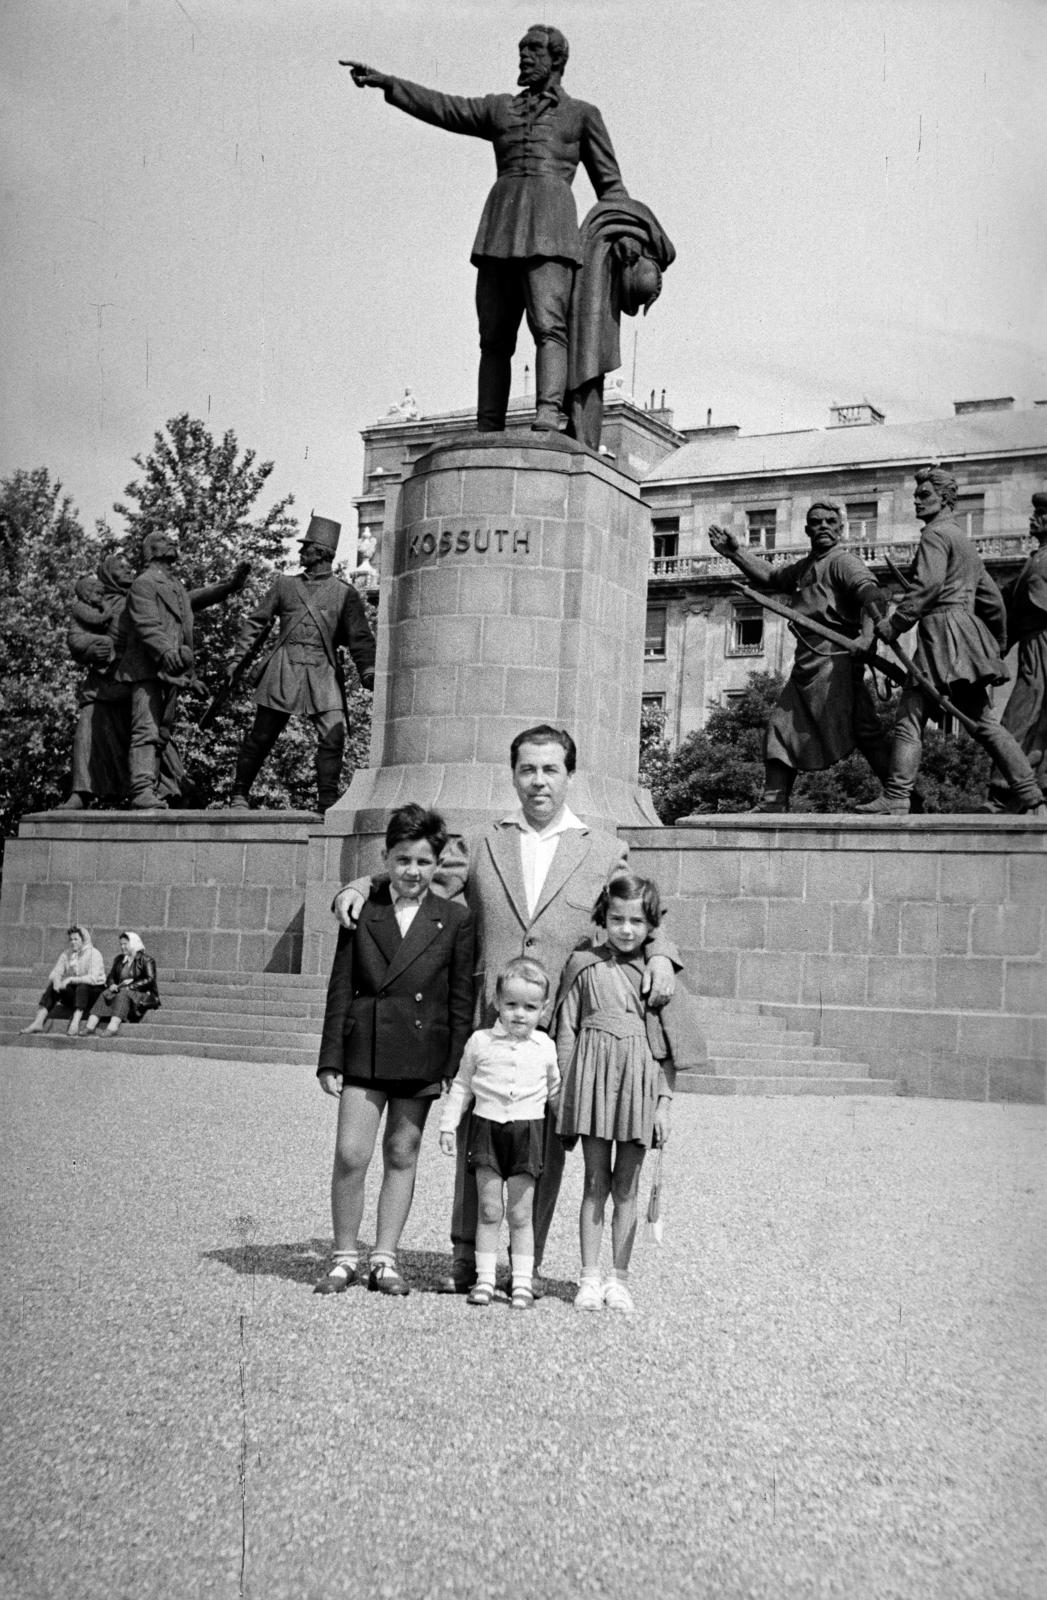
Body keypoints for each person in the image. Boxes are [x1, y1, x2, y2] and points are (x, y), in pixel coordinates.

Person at [333, 723, 679, 1296]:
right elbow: (417, 877)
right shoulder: (482, 842)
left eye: (550, 769)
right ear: (514, 774)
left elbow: (640, 912)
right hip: (492, 1025)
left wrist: (662, 955)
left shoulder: (604, 849)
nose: (538, 781)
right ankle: (468, 1261)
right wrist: (359, 884)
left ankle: (526, 1264)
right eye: (527, 769)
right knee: (481, 1142)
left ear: (569, 775)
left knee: (540, 1152)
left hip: (560, 1029)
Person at [343, 26, 629, 434]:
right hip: (499, 230)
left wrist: (625, 234)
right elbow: (444, 108)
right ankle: (488, 423)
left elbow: (611, 186)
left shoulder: (583, 115)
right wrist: (390, 83)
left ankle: (548, 413)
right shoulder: (500, 109)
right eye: (521, 51)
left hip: (552, 233)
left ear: (557, 60)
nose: (524, 58)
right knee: (493, 337)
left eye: (533, 51)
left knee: (550, 326)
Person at [314, 805, 474, 1298]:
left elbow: (460, 996)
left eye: (423, 862)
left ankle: (384, 1257)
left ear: (438, 865)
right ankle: (344, 1255)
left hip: (422, 1050)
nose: (412, 871)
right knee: (351, 1153)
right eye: (402, 859)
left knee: (402, 1153)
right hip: (365, 1046)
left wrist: (452, 1065)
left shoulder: (454, 919)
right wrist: (330, 1056)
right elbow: (341, 985)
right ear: (385, 858)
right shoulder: (363, 910)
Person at [555, 872, 702, 1313]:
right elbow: (566, 1033)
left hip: (638, 1086)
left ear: (651, 924)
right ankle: (588, 1277)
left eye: (637, 921)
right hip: (593, 1085)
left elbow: (667, 1047)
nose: (625, 929)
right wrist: (563, 1095)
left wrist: (664, 1103)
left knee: (627, 1188)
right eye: (617, 919)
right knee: (593, 1183)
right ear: (603, 917)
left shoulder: (658, 974)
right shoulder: (583, 965)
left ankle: (619, 1278)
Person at [864, 468, 1047, 816]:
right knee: (983, 723)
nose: (917, 500)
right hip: (963, 636)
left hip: (939, 634)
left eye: (925, 494)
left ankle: (898, 796)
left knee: (910, 717)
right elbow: (992, 600)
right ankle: (1029, 793)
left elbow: (928, 587)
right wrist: (994, 645)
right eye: (916, 494)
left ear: (945, 499)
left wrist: (896, 624)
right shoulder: (963, 539)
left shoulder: (934, 535)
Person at [708, 503, 892, 812]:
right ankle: (774, 801)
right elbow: (772, 576)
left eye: (830, 521)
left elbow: (872, 596)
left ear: (841, 528)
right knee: (783, 724)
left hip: (836, 659)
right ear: (807, 530)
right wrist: (735, 553)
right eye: (816, 522)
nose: (823, 526)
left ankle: (901, 794)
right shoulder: (806, 566)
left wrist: (867, 636)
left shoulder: (844, 563)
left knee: (862, 728)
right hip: (809, 660)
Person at [226, 515, 376, 813]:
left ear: (320, 551)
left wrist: (367, 670)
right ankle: (239, 794)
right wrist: (237, 658)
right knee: (262, 736)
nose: (300, 553)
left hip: (323, 671)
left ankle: (327, 800)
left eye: (306, 547)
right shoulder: (284, 585)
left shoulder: (346, 594)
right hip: (284, 669)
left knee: (334, 737)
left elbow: (360, 637)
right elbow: (256, 623)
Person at [439, 957, 561, 1311]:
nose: (519, 1014)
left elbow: (554, 1091)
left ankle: (521, 1280)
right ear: (496, 1001)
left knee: (521, 1214)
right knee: (490, 1209)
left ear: (544, 1009)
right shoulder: (480, 1041)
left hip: (527, 1134)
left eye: (529, 1007)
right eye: (511, 1005)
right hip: (487, 1131)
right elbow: (462, 1085)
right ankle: (485, 1279)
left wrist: (567, 1125)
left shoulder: (545, 1047)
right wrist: (448, 1124)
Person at [115, 529, 249, 809]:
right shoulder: (144, 583)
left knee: (162, 733)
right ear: (151, 550)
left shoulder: (174, 586)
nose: (173, 541)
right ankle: (141, 791)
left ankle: (156, 790)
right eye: (164, 540)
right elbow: (147, 624)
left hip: (171, 672)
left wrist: (230, 586)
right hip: (147, 669)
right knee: (146, 729)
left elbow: (198, 599)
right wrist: (165, 651)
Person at [985, 491, 1047, 811]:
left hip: (1044, 645)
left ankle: (1010, 789)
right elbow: (1005, 600)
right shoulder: (1033, 560)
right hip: (1032, 646)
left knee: (1026, 715)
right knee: (1023, 715)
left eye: (1040, 514)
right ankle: (1012, 788)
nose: (1033, 518)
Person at [22, 925, 106, 1037]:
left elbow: (93, 978)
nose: (72, 942)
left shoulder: (94, 954)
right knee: (54, 985)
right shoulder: (67, 954)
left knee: (82, 986)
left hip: (94, 992)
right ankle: (38, 1022)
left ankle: (75, 1022)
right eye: (71, 939)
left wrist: (71, 979)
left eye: (76, 939)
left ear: (84, 939)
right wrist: (57, 981)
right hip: (77, 993)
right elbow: (55, 972)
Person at [83, 932, 160, 1036]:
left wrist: (129, 987)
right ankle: (90, 1026)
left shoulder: (147, 960)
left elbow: (150, 979)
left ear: (133, 943)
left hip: (143, 994)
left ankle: (112, 1027)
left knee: (124, 993)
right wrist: (111, 985)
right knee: (106, 993)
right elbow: (111, 976)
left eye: (125, 944)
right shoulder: (119, 959)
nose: (122, 947)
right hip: (122, 990)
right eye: (121, 944)